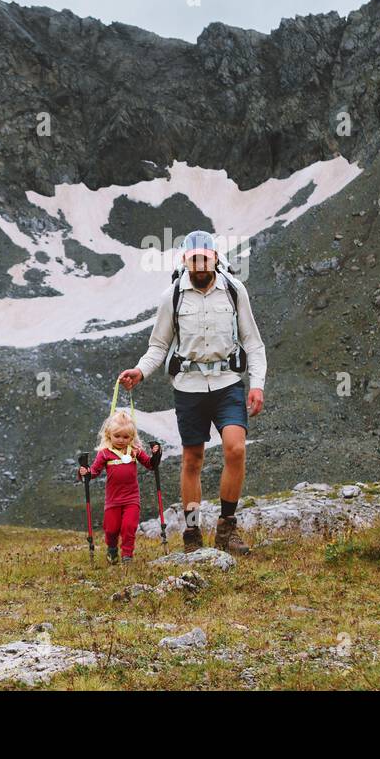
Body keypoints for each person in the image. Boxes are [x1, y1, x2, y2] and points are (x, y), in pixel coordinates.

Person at [117, 230, 266, 555]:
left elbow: (253, 341)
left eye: (206, 256)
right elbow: (158, 345)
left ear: (215, 258)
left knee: (235, 449)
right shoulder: (172, 296)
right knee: (192, 459)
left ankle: (227, 529)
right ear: (185, 260)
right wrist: (140, 371)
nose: (200, 263)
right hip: (188, 388)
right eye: (194, 258)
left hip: (228, 383)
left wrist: (256, 384)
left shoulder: (233, 290)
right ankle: (192, 531)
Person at [80, 409, 158, 564]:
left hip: (131, 498)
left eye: (126, 437)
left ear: (132, 437)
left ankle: (127, 555)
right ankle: (112, 549)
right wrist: (85, 472)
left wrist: (156, 455)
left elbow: (150, 465)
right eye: (117, 436)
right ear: (109, 434)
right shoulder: (104, 454)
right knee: (111, 529)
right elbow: (94, 472)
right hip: (113, 500)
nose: (121, 440)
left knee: (129, 527)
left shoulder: (135, 451)